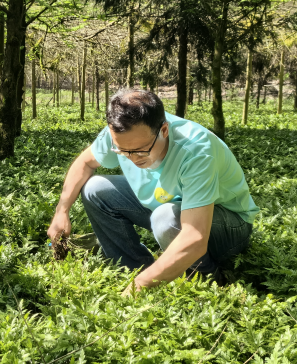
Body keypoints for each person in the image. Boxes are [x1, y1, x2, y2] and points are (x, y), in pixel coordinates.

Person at [47, 88, 257, 294]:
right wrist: (61, 212)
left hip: (228, 225)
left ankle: (206, 279)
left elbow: (195, 237)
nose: (133, 158)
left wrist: (140, 285)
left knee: (165, 219)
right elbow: (85, 162)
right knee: (96, 188)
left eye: (141, 150)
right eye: (123, 151)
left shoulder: (196, 150)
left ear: (164, 130)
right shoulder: (121, 132)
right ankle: (134, 267)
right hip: (168, 206)